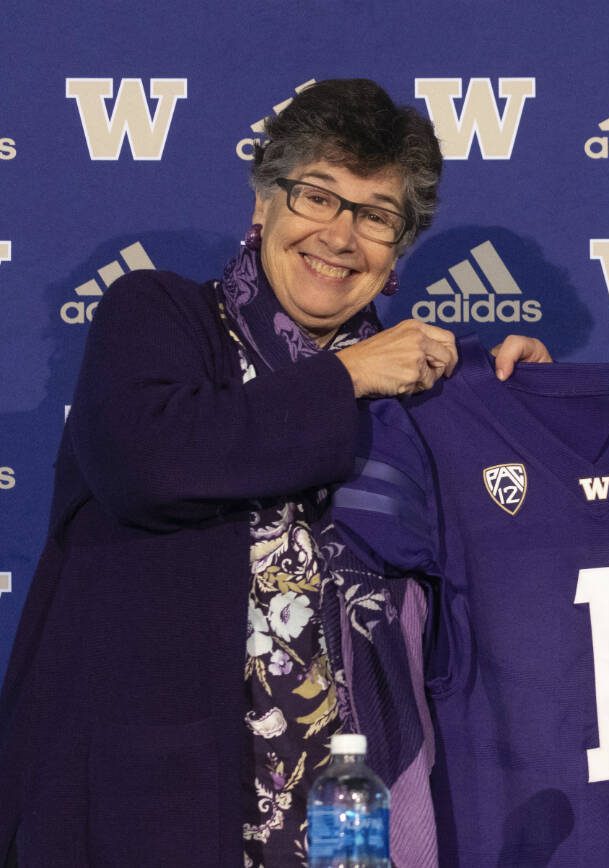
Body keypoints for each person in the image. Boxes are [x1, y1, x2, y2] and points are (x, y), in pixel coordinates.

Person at [0, 78, 547, 867]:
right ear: (263, 206)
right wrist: (348, 377)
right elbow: (147, 464)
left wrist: (516, 405)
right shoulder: (157, 316)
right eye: (317, 196)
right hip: (151, 809)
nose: (340, 234)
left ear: (398, 254)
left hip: (353, 821)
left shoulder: (421, 394)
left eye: (376, 215)